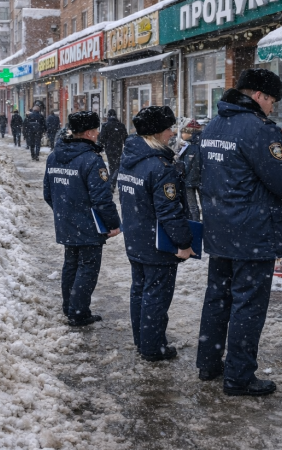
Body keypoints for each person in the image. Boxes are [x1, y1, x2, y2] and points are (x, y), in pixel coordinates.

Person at [196, 68, 282, 396]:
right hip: (252, 233)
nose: (273, 108)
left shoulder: (214, 125)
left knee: (218, 298)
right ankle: (239, 377)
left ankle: (209, 363)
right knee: (248, 305)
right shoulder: (259, 129)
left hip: (221, 229)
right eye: (272, 101)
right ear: (259, 96)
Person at [117, 106, 196, 362]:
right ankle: (153, 348)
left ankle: (143, 341)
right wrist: (184, 243)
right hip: (158, 244)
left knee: (139, 292)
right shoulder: (160, 166)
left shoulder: (130, 159)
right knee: (156, 297)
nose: (172, 133)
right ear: (156, 133)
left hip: (136, 238)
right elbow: (170, 211)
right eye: (168, 129)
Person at [43, 111, 121, 327]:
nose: (98, 134)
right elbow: (102, 199)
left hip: (66, 222)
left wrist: (66, 211)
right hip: (89, 225)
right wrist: (113, 224)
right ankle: (78, 312)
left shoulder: (54, 156)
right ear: (88, 133)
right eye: (96, 130)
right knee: (87, 267)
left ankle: (69, 306)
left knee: (71, 264)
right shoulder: (92, 160)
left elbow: (48, 193)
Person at [174, 120, 204, 221]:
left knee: (192, 207)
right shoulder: (199, 144)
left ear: (190, 132)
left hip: (189, 180)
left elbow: (186, 164)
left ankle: (195, 225)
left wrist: (182, 174)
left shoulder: (190, 147)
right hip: (200, 179)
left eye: (183, 132)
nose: (182, 134)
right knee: (203, 205)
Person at [97, 109, 128, 189]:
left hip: (109, 149)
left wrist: (100, 146)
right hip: (118, 148)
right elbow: (125, 138)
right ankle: (113, 181)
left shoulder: (106, 125)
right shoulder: (120, 125)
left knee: (111, 165)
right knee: (117, 165)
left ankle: (112, 182)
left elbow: (102, 138)